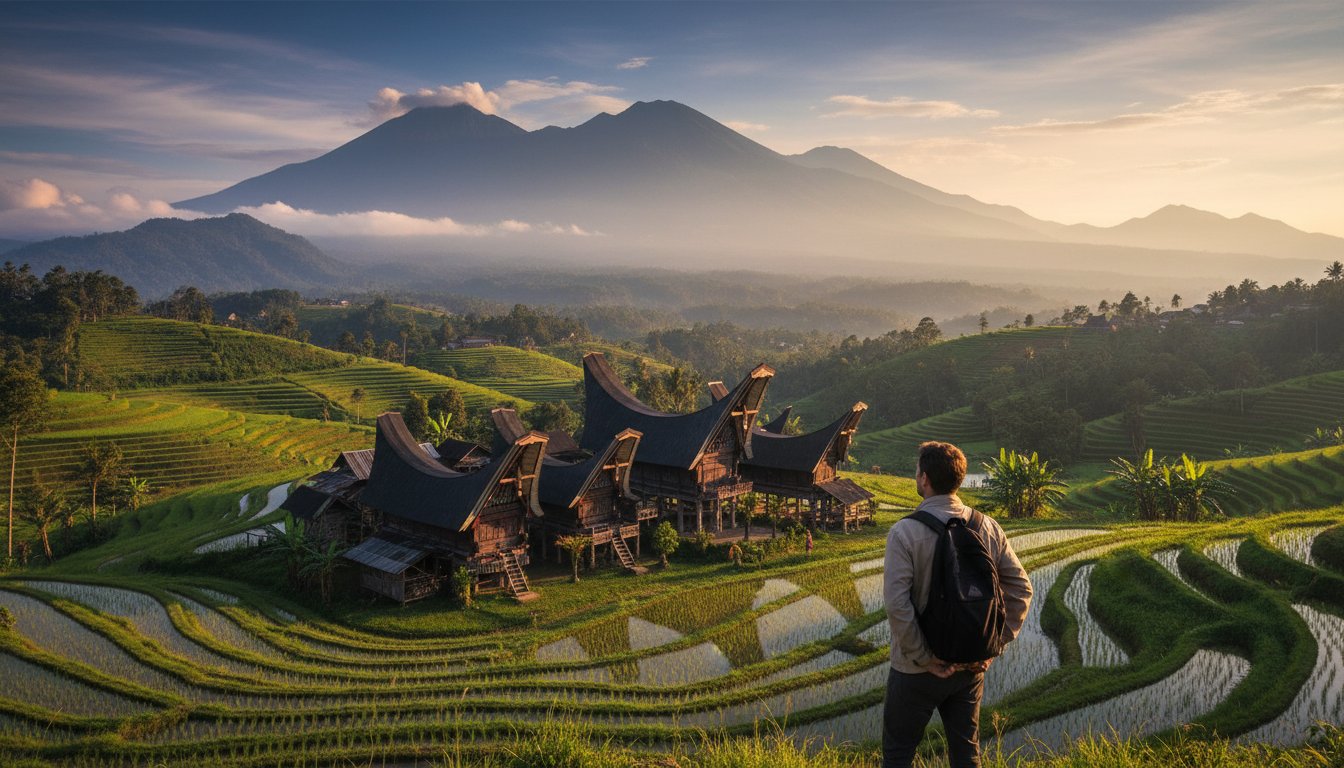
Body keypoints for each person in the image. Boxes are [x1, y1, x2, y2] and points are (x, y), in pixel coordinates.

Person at [882, 441, 1033, 767]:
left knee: (898, 754)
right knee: (966, 754)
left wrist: (925, 658)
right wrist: (995, 644)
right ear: (958, 479)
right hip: (970, 666)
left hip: (915, 670)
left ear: (924, 478)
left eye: (918, 472)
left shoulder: (904, 532)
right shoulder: (987, 527)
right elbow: (1021, 589)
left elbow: (897, 605)